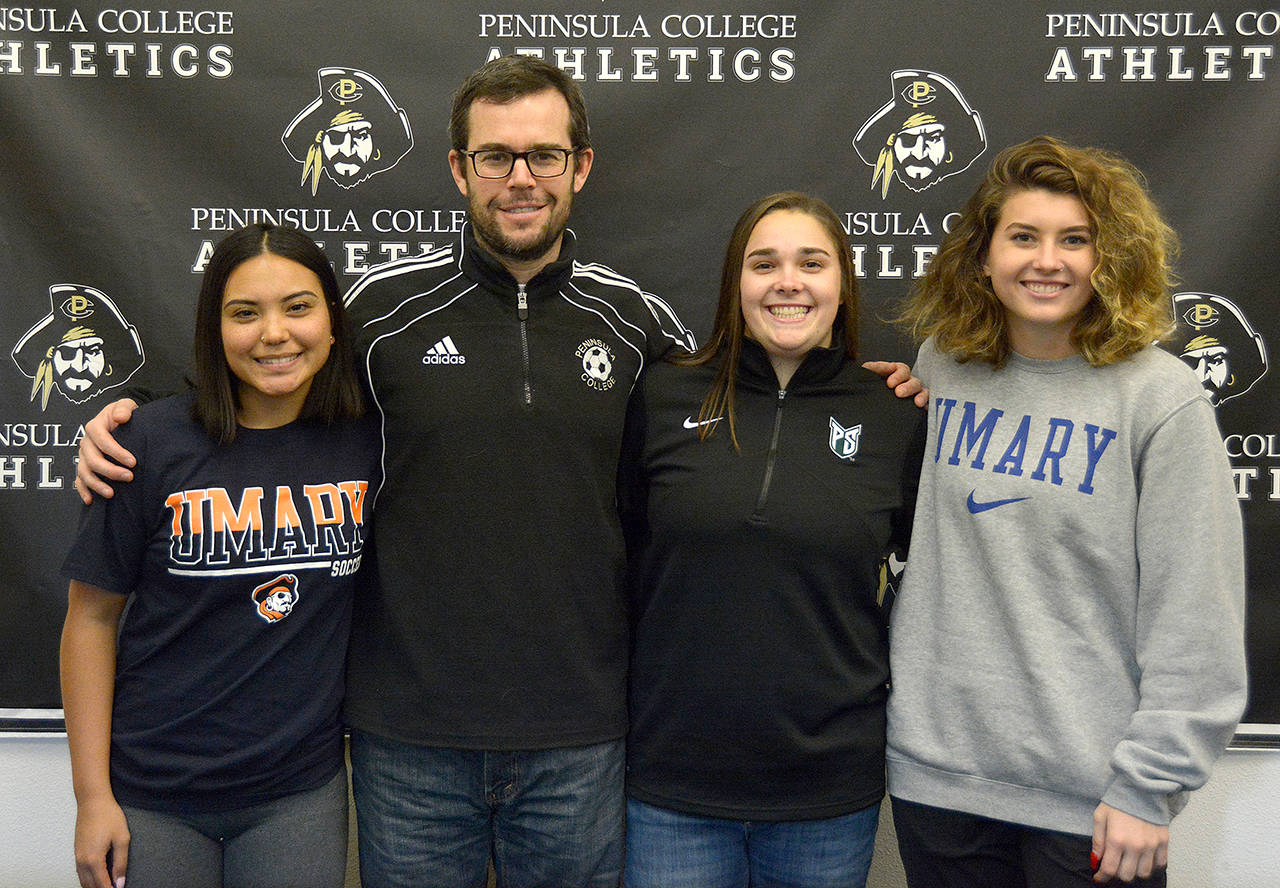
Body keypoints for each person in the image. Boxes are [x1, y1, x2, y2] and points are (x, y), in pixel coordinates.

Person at [73, 56, 923, 888]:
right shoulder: (377, 315)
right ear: (459, 168)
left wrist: (870, 387)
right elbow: (262, 383)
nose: (521, 178)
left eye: (544, 155)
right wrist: (129, 414)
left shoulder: (637, 325)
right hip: (407, 740)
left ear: (579, 167)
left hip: (582, 739)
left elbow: (752, 392)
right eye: (495, 157)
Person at [886, 136, 1247, 887]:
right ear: (982, 256)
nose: (1046, 261)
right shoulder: (941, 367)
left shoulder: (1160, 397)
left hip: (1095, 804)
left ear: (1107, 257)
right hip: (938, 787)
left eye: (1074, 240)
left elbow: (1197, 618)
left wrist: (1152, 786)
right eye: (1023, 237)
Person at [619, 192, 926, 888]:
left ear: (842, 285)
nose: (788, 281)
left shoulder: (895, 416)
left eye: (811, 263)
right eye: (765, 264)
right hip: (673, 784)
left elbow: (929, 584)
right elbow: (619, 560)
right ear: (736, 285)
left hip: (826, 794)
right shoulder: (664, 397)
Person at [59, 223, 375, 888]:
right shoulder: (143, 443)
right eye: (244, 313)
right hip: (154, 794)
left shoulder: (369, 439)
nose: (274, 334)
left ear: (333, 320)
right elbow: (89, 622)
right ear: (214, 328)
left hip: (298, 795)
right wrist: (92, 798)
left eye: (298, 306)